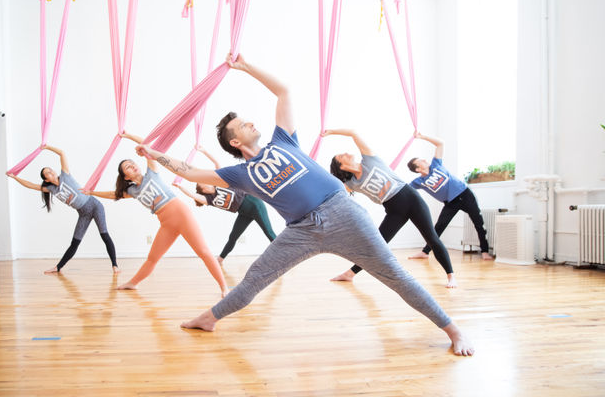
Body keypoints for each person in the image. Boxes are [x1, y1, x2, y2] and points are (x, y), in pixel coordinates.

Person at [134, 53, 474, 356]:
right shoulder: (239, 173)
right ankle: (209, 319)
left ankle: (452, 329)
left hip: (344, 214)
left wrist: (245, 65)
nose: (253, 123)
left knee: (395, 276)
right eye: (243, 125)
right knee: (255, 276)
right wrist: (153, 154)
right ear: (236, 142)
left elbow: (284, 92)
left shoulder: (283, 139)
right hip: (302, 231)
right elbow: (191, 170)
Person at [84, 133, 228, 297]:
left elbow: (149, 147)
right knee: (152, 258)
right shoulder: (132, 191)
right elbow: (113, 195)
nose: (133, 166)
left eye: (132, 163)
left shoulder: (151, 172)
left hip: (181, 214)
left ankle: (224, 288)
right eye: (128, 167)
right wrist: (91, 192)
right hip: (166, 224)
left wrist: (127, 136)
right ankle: (133, 283)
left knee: (203, 252)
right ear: (126, 176)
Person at [325, 129, 457, 287]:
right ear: (341, 166)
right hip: (394, 210)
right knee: (377, 244)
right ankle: (350, 274)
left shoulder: (369, 159)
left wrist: (330, 132)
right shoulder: (350, 184)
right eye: (341, 156)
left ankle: (451, 277)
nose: (346, 153)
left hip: (411, 199)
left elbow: (354, 133)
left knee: (432, 239)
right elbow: (331, 188)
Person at [6, 145, 120, 274]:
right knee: (75, 242)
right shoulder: (51, 189)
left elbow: (61, 153)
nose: (51, 172)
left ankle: (115, 265)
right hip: (83, 213)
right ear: (46, 179)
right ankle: (58, 267)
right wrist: (15, 177)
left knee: (104, 235)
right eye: (47, 173)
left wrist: (47, 147)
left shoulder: (65, 175)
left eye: (51, 170)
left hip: (94, 205)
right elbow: (31, 186)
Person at [172, 146, 277, 266]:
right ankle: (220, 260)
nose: (206, 182)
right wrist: (180, 187)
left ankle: (284, 255)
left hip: (254, 204)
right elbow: (193, 195)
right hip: (243, 212)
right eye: (203, 184)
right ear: (204, 189)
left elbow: (216, 163)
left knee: (268, 232)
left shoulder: (219, 182)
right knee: (233, 236)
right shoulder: (209, 199)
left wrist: (204, 150)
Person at [407, 132, 494, 261]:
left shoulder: (436, 164)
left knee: (478, 223)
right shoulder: (418, 182)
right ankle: (425, 252)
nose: (425, 160)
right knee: (439, 226)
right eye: (421, 161)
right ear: (418, 169)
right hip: (450, 203)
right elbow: (404, 189)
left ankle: (485, 252)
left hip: (465, 194)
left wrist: (422, 137)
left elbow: (440, 143)